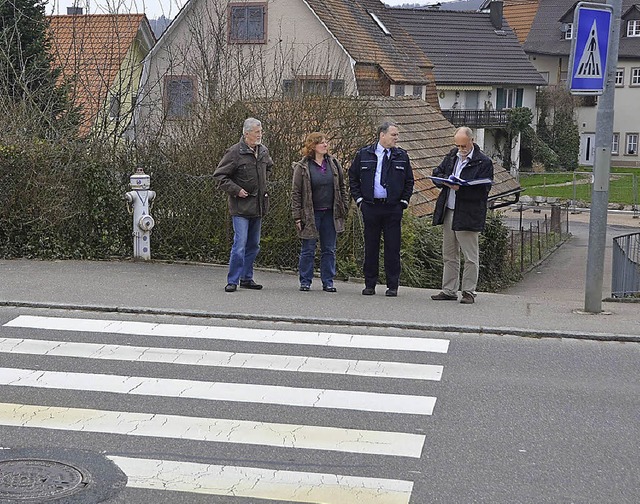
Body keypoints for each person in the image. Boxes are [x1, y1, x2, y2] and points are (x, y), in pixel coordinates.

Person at [349, 121, 414, 297]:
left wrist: (403, 202)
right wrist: (360, 200)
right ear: (382, 135)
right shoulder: (364, 154)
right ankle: (370, 284)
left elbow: (409, 181)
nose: (396, 138)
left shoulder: (401, 155)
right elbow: (353, 178)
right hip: (371, 207)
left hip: (393, 208)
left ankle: (392, 285)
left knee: (392, 248)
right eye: (393, 135)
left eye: (397, 135)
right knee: (371, 247)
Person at [431, 126, 494, 304]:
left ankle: (468, 291)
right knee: (449, 254)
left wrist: (462, 188)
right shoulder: (452, 156)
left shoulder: (483, 162)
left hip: (469, 212)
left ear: (471, 141)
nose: (461, 150)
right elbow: (438, 173)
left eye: (463, 146)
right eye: (458, 146)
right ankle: (449, 290)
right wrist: (444, 181)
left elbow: (484, 190)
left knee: (470, 256)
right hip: (449, 209)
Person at [214, 117, 273, 293]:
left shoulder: (263, 151)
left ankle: (247, 278)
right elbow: (220, 176)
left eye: (261, 132)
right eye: (257, 132)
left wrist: (262, 184)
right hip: (240, 207)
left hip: (258, 205)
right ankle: (232, 280)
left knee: (254, 245)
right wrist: (237, 190)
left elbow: (269, 167)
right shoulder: (234, 153)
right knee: (239, 244)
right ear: (247, 134)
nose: (260, 135)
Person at [291, 132, 349, 292]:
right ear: (313, 146)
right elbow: (296, 193)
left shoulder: (334, 163)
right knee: (308, 248)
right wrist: (297, 215)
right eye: (321, 143)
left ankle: (328, 281)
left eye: (326, 142)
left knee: (329, 249)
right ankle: (305, 281)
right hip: (310, 214)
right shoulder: (302, 167)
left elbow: (342, 186)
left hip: (330, 213)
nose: (325, 145)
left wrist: (343, 206)